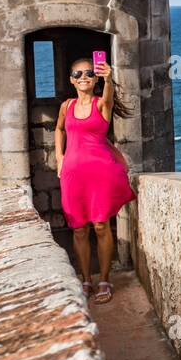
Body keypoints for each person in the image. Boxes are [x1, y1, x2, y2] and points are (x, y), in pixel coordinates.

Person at [54, 57, 135, 304]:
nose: (84, 77)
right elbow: (58, 129)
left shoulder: (102, 105)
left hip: (99, 174)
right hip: (73, 176)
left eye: (89, 73)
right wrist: (60, 158)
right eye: (78, 74)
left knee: (101, 225)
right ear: (71, 80)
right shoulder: (66, 106)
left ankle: (104, 280)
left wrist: (109, 79)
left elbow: (109, 98)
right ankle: (86, 279)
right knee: (79, 229)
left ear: (96, 77)